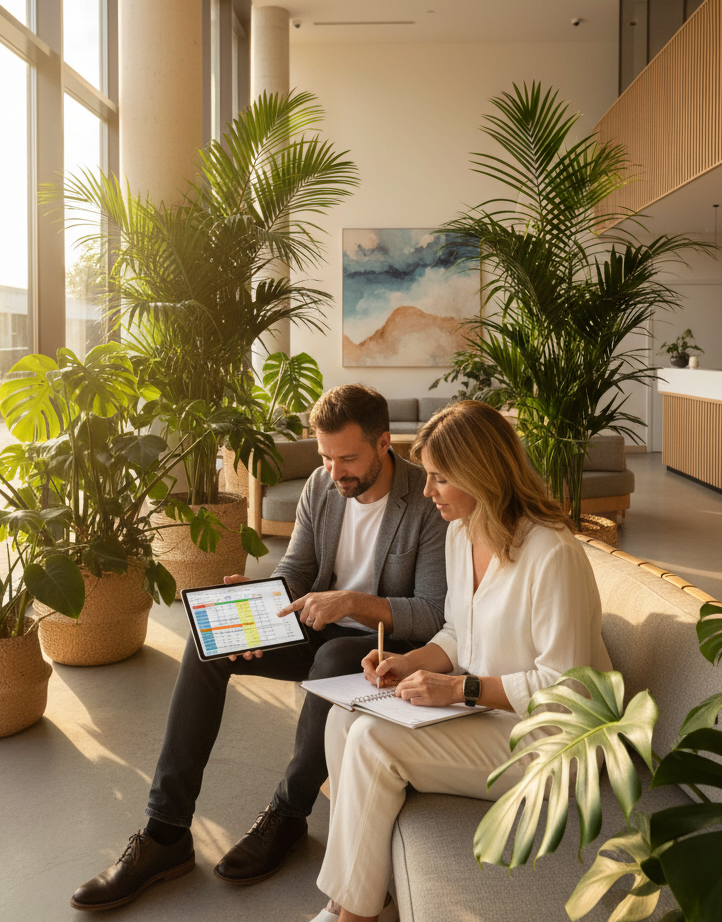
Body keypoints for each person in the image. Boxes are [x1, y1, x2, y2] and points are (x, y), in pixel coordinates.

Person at [71, 384, 448, 912]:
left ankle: (288, 815)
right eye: (325, 456)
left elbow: (432, 610)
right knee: (209, 648)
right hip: (314, 620)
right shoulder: (321, 486)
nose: (334, 471)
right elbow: (296, 570)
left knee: (333, 658)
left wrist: (352, 604)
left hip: (381, 643)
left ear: (385, 442)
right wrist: (255, 597)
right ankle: (165, 833)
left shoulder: (425, 499)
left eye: (348, 458)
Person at [310, 400, 613, 922]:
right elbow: (456, 632)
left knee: (374, 739)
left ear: (482, 475)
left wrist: (456, 690)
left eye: (439, 479)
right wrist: (408, 663)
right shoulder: (461, 532)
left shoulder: (551, 553)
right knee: (342, 719)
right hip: (487, 717)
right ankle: (362, 896)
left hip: (549, 737)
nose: (427, 492)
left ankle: (352, 916)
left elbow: (568, 686)